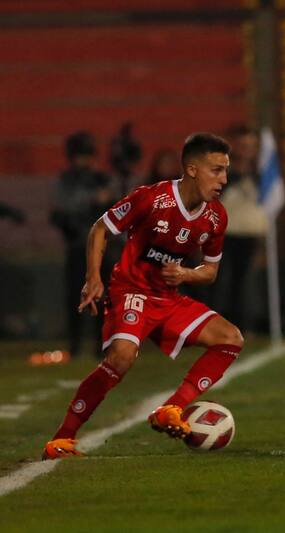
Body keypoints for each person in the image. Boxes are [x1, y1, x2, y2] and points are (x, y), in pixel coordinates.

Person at [42, 133, 244, 460]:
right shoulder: (152, 199)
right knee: (121, 357)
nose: (224, 179)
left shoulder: (215, 217)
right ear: (192, 169)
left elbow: (210, 271)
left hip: (168, 298)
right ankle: (63, 438)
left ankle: (172, 409)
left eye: (225, 171)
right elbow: (101, 228)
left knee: (231, 338)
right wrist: (93, 277)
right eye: (217, 170)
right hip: (131, 291)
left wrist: (186, 274)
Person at [50, 131, 114, 359]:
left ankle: (101, 344)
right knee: (75, 297)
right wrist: (91, 200)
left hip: (101, 246)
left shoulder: (101, 178)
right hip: (77, 245)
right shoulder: (66, 180)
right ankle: (75, 344)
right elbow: (60, 212)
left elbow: (113, 206)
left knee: (103, 296)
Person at [215, 125, 268, 331]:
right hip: (225, 235)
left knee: (248, 283)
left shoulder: (261, 176)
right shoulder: (221, 173)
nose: (247, 150)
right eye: (243, 145)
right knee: (224, 282)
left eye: (251, 146)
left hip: (251, 235)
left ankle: (246, 325)